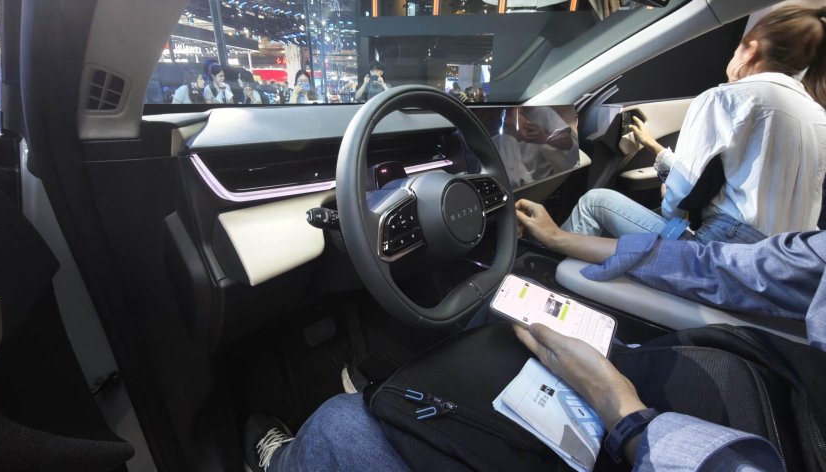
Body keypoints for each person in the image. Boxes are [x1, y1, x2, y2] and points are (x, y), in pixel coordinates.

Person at [244, 195, 825, 471]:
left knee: (341, 426)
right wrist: (559, 240)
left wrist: (622, 410)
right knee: (506, 327)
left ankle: (286, 462)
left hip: (682, 444)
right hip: (766, 391)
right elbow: (724, 267)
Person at [563, 6, 826, 244]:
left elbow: (684, 190)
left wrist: (670, 206)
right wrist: (655, 148)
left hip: (722, 248)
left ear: (751, 50)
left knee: (595, 202)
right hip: (786, 254)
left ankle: (550, 272)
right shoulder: (818, 116)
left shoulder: (727, 98)